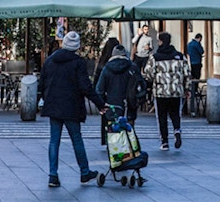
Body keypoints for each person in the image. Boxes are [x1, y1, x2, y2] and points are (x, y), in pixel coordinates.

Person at [38, 30, 107, 189]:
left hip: (54, 105)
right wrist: (100, 104)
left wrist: (46, 98)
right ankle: (84, 172)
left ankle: (53, 175)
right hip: (71, 106)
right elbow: (86, 87)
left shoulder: (50, 60)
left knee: (54, 140)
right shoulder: (78, 63)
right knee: (76, 138)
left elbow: (42, 83)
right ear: (77, 46)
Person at [143, 31, 191, 151]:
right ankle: (177, 130)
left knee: (162, 116)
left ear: (160, 42)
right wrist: (187, 88)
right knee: (175, 114)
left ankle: (164, 142)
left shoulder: (155, 57)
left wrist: (152, 81)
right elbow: (187, 74)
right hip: (176, 91)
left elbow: (148, 74)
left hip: (160, 92)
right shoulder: (180, 56)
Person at [96, 44, 144, 125]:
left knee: (113, 132)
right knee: (129, 132)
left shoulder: (107, 68)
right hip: (130, 104)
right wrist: (139, 99)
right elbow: (141, 85)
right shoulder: (133, 67)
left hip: (111, 105)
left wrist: (101, 104)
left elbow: (99, 89)